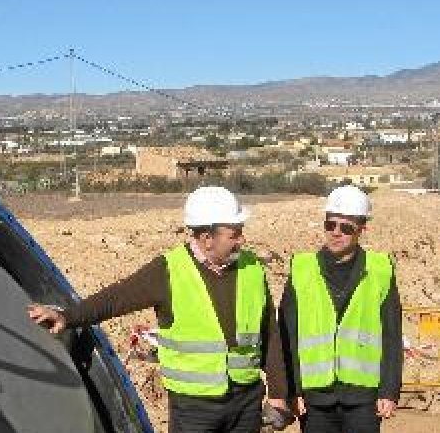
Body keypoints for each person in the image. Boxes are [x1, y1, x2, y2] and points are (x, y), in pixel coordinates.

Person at [27, 186, 291, 433]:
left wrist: (278, 394)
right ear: (207, 238)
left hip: (246, 403)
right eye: (234, 233)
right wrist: (68, 316)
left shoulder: (252, 268)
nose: (241, 239)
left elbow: (270, 333)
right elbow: (116, 298)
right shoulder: (169, 270)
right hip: (194, 409)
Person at [278, 185, 402, 433]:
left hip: (364, 399)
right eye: (330, 224)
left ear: (362, 228)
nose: (335, 232)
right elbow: (287, 335)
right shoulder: (302, 269)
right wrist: (293, 389)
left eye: (346, 227)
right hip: (315, 399)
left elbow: (392, 336)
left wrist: (389, 390)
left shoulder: (380, 269)